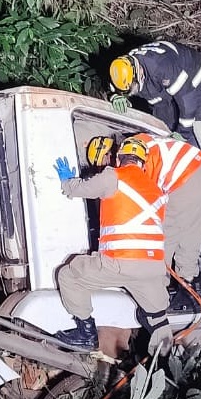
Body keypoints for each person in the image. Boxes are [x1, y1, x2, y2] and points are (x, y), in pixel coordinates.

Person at [51, 138, 172, 351]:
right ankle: (166, 353)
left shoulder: (113, 176)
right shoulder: (158, 191)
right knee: (158, 315)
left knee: (68, 276)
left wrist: (67, 181)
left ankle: (85, 333)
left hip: (119, 262)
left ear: (118, 159)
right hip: (152, 268)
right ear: (143, 164)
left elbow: (78, 190)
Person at [85, 133, 201, 294]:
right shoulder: (138, 140)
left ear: (110, 154)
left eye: (106, 165)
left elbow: (145, 204)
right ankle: (188, 281)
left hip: (184, 178)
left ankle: (158, 290)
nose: (110, 169)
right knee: (192, 233)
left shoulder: (132, 162)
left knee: (160, 238)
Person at [109, 41, 201, 146]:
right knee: (162, 133)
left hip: (195, 82)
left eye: (130, 90)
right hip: (165, 87)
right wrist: (115, 96)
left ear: (139, 74)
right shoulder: (123, 67)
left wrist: (184, 133)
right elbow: (113, 87)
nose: (129, 94)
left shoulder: (162, 68)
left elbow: (188, 102)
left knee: (194, 134)